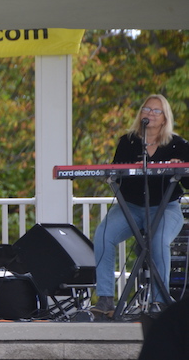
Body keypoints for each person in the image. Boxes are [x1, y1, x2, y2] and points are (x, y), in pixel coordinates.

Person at [91, 94, 189, 318]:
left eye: (156, 111)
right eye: (147, 109)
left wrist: (181, 167)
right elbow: (116, 173)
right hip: (130, 207)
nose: (150, 114)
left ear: (165, 118)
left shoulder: (179, 144)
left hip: (166, 208)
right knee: (103, 234)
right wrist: (130, 169)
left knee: (158, 241)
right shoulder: (128, 142)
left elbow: (187, 181)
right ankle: (105, 298)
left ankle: (159, 301)